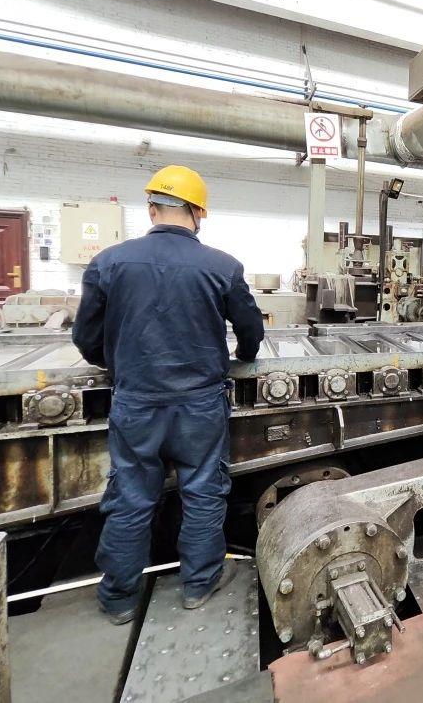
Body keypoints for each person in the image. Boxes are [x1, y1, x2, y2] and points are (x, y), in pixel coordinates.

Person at [72, 165, 265, 624]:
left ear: (152, 208)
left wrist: (117, 364)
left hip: (136, 403)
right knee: (203, 491)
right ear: (199, 213)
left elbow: (85, 338)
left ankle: (119, 597)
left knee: (131, 497)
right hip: (200, 406)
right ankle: (198, 584)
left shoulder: (109, 263)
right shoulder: (222, 266)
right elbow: (251, 329)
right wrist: (244, 355)